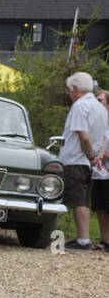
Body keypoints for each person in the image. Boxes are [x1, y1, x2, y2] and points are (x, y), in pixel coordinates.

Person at [59, 72, 108, 250]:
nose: (70, 93)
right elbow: (103, 138)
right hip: (89, 162)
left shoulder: (80, 106)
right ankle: (83, 238)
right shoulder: (100, 108)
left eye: (70, 89)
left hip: (76, 159)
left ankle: (83, 239)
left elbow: (84, 136)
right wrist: (96, 157)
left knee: (78, 200)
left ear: (75, 88)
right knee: (84, 199)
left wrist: (89, 155)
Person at [93, 90, 109, 249]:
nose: (97, 103)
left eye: (100, 100)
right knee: (101, 206)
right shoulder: (98, 122)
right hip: (99, 173)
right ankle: (105, 240)